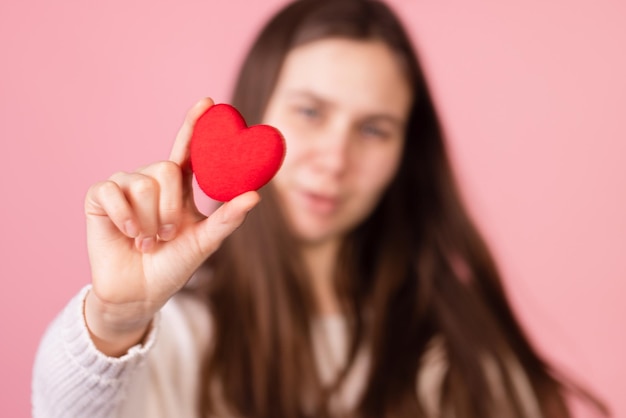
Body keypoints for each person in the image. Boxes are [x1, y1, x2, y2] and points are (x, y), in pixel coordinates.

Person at [32, 0, 608, 417]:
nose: (335, 158)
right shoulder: (173, 335)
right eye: (309, 112)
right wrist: (115, 321)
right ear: (258, 107)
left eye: (374, 129)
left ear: (406, 152)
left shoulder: (455, 351)